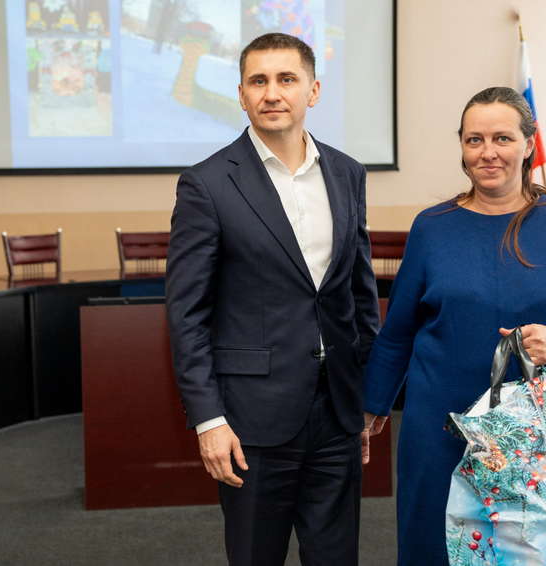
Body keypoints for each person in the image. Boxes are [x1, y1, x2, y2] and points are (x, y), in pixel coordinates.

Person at [363, 86, 546, 565]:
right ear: (462, 147)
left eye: (502, 138)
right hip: (440, 430)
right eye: (474, 140)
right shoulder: (432, 227)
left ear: (528, 144)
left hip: (534, 438)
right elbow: (398, 332)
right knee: (434, 551)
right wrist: (371, 407)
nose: (488, 152)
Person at [166, 32, 380, 566]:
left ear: (314, 90)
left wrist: (365, 396)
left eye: (287, 79)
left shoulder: (347, 173)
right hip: (250, 421)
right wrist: (208, 420)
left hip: (336, 413)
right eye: (258, 81)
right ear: (241, 95)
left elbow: (359, 293)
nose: (272, 93)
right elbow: (187, 315)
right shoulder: (207, 184)